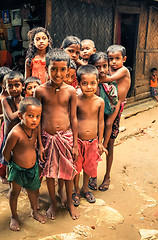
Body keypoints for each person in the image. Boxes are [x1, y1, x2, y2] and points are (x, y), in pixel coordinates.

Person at [34, 49, 79, 220]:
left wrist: (75, 144)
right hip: (47, 138)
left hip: (66, 138)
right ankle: (53, 202)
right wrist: (39, 144)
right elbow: (38, 119)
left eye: (62, 69)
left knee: (68, 172)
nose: (58, 73)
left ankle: (69, 203)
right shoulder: (40, 91)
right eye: (53, 69)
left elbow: (74, 118)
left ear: (68, 70)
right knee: (50, 173)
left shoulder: (71, 91)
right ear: (47, 69)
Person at [88, 45, 131, 192]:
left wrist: (92, 72)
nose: (113, 62)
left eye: (117, 59)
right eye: (110, 59)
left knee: (109, 142)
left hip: (117, 105)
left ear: (124, 59)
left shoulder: (122, 71)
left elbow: (108, 79)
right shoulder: (106, 70)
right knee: (92, 143)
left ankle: (107, 176)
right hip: (103, 107)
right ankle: (93, 175)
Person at [2, 97, 47, 231]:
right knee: (14, 193)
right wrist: (13, 166)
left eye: (38, 116)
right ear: (21, 116)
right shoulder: (15, 133)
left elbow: (36, 141)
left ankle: (34, 211)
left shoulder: (35, 128)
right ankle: (14, 216)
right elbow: (6, 152)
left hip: (32, 168)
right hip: (17, 169)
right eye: (31, 116)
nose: (35, 119)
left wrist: (39, 149)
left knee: (33, 191)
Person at [72, 65, 106, 207]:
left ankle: (85, 188)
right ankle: (76, 190)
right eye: (84, 83)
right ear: (79, 84)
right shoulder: (76, 100)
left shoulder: (99, 101)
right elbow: (73, 121)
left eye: (93, 83)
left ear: (97, 82)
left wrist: (100, 142)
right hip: (78, 141)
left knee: (89, 167)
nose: (89, 87)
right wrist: (73, 143)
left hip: (93, 142)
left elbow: (101, 122)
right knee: (76, 167)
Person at [0, 71, 24, 171]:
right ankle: (11, 186)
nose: (14, 89)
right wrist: (21, 108)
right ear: (5, 87)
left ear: (23, 86)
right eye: (10, 86)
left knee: (21, 162)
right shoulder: (5, 100)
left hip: (21, 139)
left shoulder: (25, 101)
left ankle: (20, 185)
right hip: (9, 137)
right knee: (10, 164)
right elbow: (12, 117)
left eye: (17, 85)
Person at [0, 67, 12, 184]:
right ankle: (0, 173)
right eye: (7, 82)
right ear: (0, 83)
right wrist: (9, 115)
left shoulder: (14, 95)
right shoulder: (1, 98)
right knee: (4, 148)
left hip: (14, 124)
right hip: (6, 126)